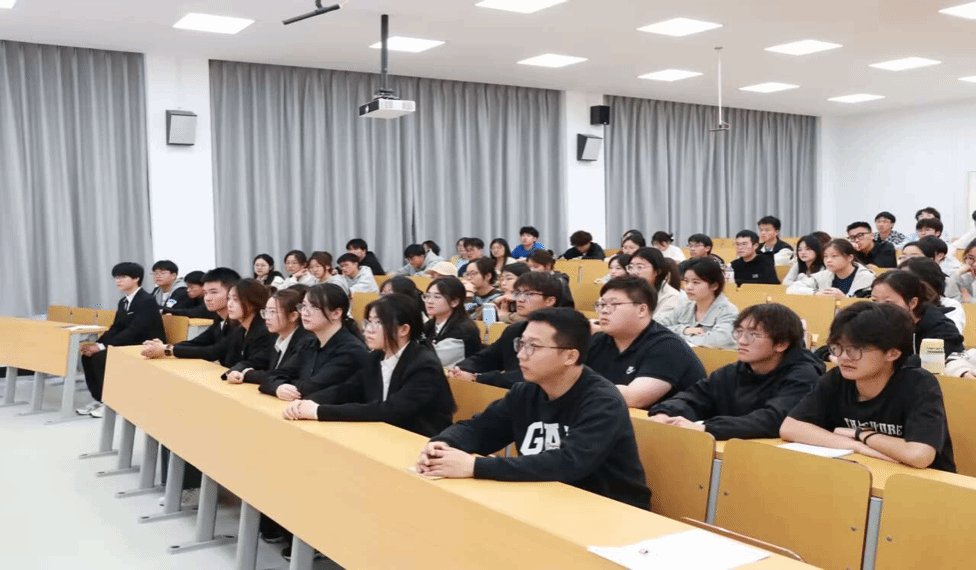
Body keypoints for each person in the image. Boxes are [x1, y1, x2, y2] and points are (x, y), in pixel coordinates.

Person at [416, 308, 652, 510]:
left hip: (607, 510)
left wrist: (474, 466)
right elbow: (479, 429)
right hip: (546, 500)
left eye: (534, 347)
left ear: (570, 356)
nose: (521, 355)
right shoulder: (526, 392)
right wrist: (443, 444)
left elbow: (569, 463)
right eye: (522, 344)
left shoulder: (602, 401)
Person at [781, 302, 956, 472]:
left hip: (919, 484)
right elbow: (790, 427)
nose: (844, 357)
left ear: (892, 353)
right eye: (838, 347)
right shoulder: (836, 378)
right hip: (863, 473)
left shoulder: (919, 384)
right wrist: (856, 446)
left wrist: (862, 434)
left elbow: (919, 455)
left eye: (856, 349)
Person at [283, 293, 456, 438]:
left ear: (403, 329)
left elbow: (391, 411)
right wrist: (308, 402)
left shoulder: (424, 365)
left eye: (378, 323)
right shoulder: (375, 357)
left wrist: (319, 411)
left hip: (418, 441)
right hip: (384, 434)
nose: (368, 330)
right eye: (368, 322)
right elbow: (348, 389)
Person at [651, 303, 824, 439]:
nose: (741, 340)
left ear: (782, 344)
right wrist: (665, 412)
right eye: (739, 332)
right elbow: (694, 397)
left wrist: (707, 427)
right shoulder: (733, 371)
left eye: (754, 335)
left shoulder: (804, 376)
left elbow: (773, 420)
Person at [586, 276, 706, 409]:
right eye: (602, 304)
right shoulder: (597, 341)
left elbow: (633, 399)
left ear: (642, 310)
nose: (604, 310)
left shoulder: (668, 346)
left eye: (614, 304)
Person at [77, 262, 166, 418]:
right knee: (88, 355)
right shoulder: (123, 302)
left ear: (136, 278)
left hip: (144, 345)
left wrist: (102, 347)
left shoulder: (146, 300)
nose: (118, 281)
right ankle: (100, 399)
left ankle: (113, 403)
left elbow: (135, 331)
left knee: (101, 357)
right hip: (127, 343)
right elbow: (116, 328)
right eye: (116, 277)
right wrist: (97, 344)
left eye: (123, 277)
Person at [449, 272, 562, 388]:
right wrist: (459, 369)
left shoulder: (560, 333)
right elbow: (487, 358)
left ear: (550, 301)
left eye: (529, 294)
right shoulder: (515, 330)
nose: (520, 299)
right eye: (517, 293)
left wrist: (477, 378)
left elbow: (530, 376)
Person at [261, 284, 371, 400]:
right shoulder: (309, 344)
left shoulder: (351, 350)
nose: (305, 313)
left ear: (336, 313)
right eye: (304, 306)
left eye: (314, 307)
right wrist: (279, 387)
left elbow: (313, 388)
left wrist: (287, 384)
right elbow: (272, 376)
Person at [224, 288, 314, 386]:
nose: (267, 317)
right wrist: (236, 371)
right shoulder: (275, 337)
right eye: (266, 312)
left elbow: (281, 375)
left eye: (272, 312)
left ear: (293, 316)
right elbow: (255, 361)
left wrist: (246, 374)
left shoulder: (305, 342)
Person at [870, 270, 965, 359]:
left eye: (888, 303)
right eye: (874, 301)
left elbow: (936, 364)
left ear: (912, 303)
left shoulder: (941, 330)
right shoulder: (872, 323)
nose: (879, 308)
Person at [657, 258, 739, 349]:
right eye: (686, 281)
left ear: (714, 285)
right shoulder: (685, 307)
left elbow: (718, 340)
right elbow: (655, 327)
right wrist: (684, 330)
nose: (688, 287)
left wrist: (676, 337)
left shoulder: (728, 311)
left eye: (696, 282)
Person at [423, 277, 483, 367]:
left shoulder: (463, 331)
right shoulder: (429, 325)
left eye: (437, 297)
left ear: (454, 302)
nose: (429, 301)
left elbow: (430, 361)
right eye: (427, 296)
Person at [786, 239, 874, 298]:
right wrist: (816, 293)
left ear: (849, 258)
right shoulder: (823, 275)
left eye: (834, 256)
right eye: (825, 256)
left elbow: (868, 306)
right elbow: (792, 289)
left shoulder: (866, 277)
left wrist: (844, 299)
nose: (828, 260)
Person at [899, 257, 966, 334]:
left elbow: (950, 335)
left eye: (905, 280)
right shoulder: (898, 303)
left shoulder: (950, 305)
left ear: (926, 282)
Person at [627, 247, 685, 319]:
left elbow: (658, 324)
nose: (633, 272)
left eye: (640, 267)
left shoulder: (671, 297)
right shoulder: (627, 291)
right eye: (631, 267)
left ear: (657, 271)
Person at [947, 238, 976, 303]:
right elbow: (949, 298)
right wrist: (957, 273)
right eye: (971, 258)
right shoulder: (966, 278)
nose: (974, 264)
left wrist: (969, 300)